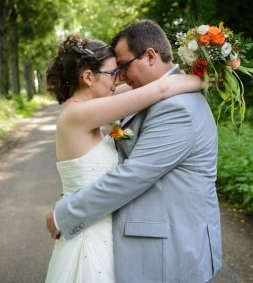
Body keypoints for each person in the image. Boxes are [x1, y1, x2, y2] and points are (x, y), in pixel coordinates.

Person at [44, 33, 205, 283]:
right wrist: (207, 80)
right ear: (88, 77)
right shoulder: (79, 114)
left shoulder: (85, 106)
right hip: (89, 235)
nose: (118, 80)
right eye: (113, 73)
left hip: (102, 228)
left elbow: (143, 83)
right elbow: (161, 88)